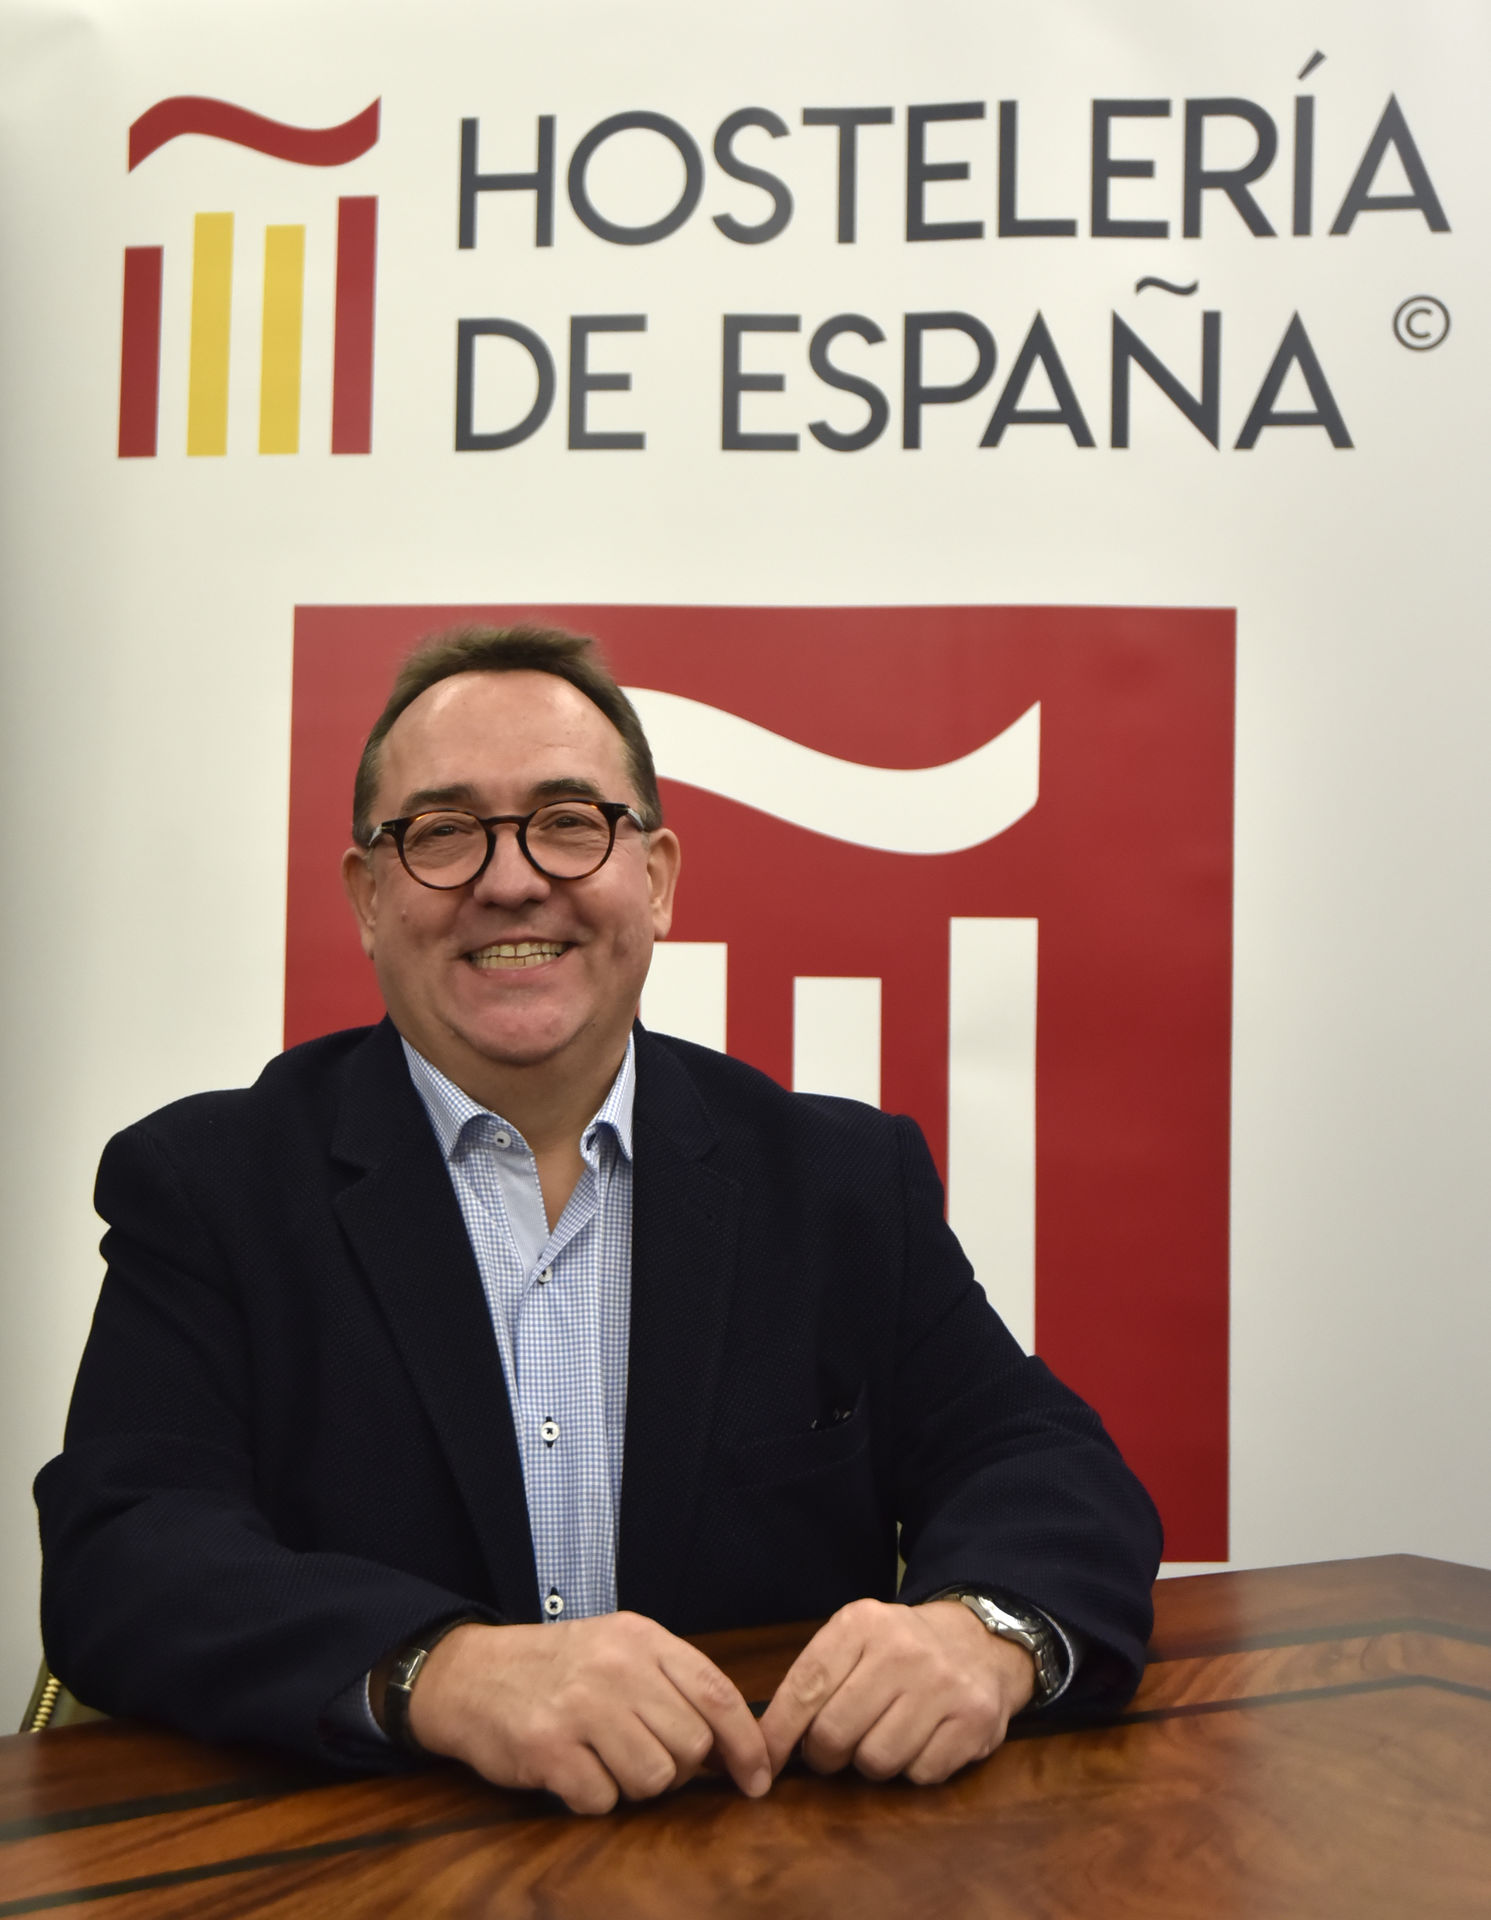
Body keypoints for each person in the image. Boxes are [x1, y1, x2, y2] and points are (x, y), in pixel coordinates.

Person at [37, 625, 1162, 1814]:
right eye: (443, 832)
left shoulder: (840, 1183)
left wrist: (986, 1632)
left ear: (658, 879)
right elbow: (127, 1554)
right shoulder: (210, 1186)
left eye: (569, 822)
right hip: (371, 1863)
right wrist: (441, 1672)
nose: (511, 880)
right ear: (367, 897)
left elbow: (1043, 1464)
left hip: (759, 1860)